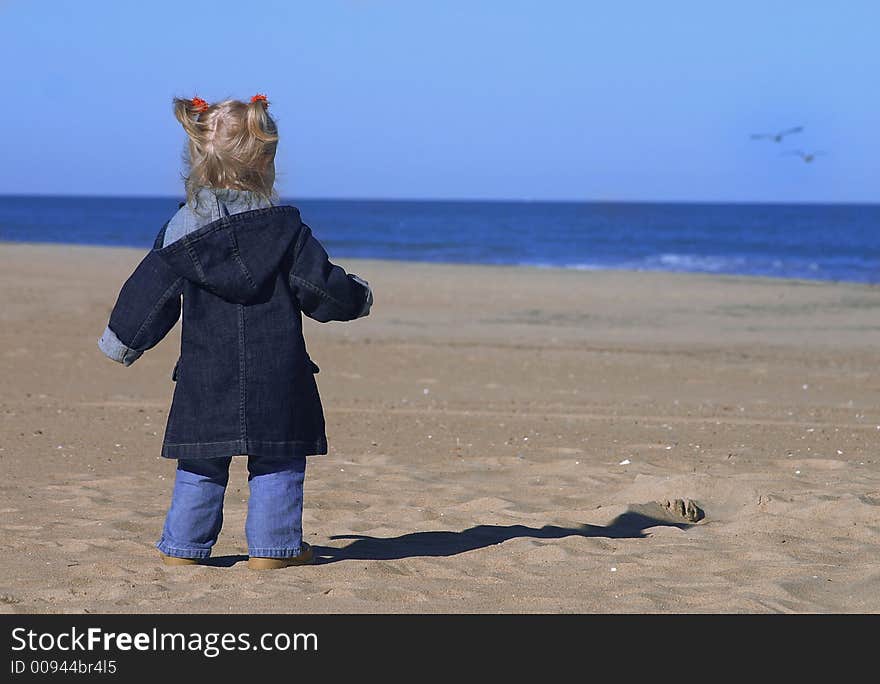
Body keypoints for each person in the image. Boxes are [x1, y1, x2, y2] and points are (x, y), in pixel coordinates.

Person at [97, 94, 372, 569]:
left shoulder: (181, 230)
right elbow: (320, 289)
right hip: (277, 371)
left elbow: (150, 294)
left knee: (202, 462)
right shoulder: (287, 233)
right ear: (267, 165)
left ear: (198, 160)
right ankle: (273, 549)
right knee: (278, 460)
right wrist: (357, 296)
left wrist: (121, 341)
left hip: (206, 373)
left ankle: (185, 549)